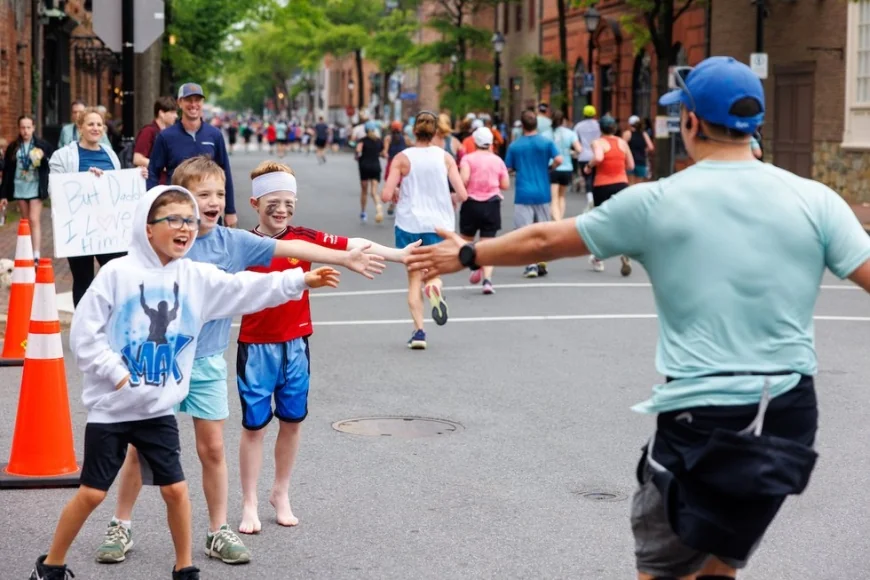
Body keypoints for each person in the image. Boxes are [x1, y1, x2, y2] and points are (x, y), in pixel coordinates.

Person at [406, 55, 870, 580]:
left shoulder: (657, 201)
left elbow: (544, 240)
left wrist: (468, 254)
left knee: (664, 572)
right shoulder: (817, 200)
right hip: (789, 414)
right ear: (753, 125)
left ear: (691, 122)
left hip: (704, 414)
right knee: (719, 566)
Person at [29, 184, 343, 580]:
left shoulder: (195, 277)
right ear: (147, 227)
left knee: (176, 490)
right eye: (174, 219)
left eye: (190, 221)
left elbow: (244, 288)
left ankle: (185, 568)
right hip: (112, 410)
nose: (185, 228)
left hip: (158, 409)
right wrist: (115, 374)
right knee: (93, 492)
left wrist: (298, 281)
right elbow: (84, 336)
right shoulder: (117, 274)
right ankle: (51, 565)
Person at [92, 155, 385, 567]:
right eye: (202, 194)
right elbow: (127, 229)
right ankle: (120, 524)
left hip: (206, 362)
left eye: (219, 194)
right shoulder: (167, 240)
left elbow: (294, 246)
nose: (212, 201)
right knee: (142, 449)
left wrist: (341, 259)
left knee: (211, 448)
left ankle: (217, 530)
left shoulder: (232, 241)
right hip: (157, 361)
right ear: (181, 202)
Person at [235, 160, 418, 535]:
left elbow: (354, 245)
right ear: (255, 203)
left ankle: (280, 493)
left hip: (296, 344)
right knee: (254, 427)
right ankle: (249, 501)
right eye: (273, 202)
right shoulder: (242, 244)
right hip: (255, 348)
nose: (282, 209)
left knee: (292, 422)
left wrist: (400, 255)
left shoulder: (304, 238)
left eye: (289, 201)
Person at [381, 111, 467, 349]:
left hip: (409, 224)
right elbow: (463, 194)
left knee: (413, 279)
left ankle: (419, 332)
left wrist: (397, 193)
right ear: (435, 132)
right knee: (433, 273)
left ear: (413, 131)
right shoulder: (445, 157)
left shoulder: (402, 158)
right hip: (438, 225)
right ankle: (434, 287)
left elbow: (386, 194)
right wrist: (450, 196)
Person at [49, 107, 148, 306]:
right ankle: (84, 328)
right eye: (90, 124)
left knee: (116, 275)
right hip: (78, 230)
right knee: (83, 280)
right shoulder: (62, 156)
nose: (95, 128)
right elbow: (56, 191)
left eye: (99, 124)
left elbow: (117, 189)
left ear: (104, 128)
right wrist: (85, 180)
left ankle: (113, 321)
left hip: (108, 228)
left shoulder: (110, 154)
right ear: (80, 128)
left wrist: (137, 177)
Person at [147, 83, 238, 227]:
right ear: (180, 102)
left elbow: (225, 172)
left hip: (209, 210)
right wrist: (152, 207)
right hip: (177, 209)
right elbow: (153, 173)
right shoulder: (166, 137)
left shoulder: (214, 135)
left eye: (198, 100)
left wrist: (230, 210)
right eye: (189, 100)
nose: (193, 104)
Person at [504, 109, 562, 278]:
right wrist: (550, 168)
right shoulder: (546, 142)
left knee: (525, 231)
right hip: (543, 191)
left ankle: (531, 265)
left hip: (524, 193)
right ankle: (542, 259)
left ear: (522, 126)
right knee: (543, 229)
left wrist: (515, 170)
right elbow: (559, 159)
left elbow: (508, 168)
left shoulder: (515, 146)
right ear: (536, 124)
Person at [458, 126, 509, 294]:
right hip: (492, 204)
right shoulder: (498, 160)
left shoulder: (467, 159)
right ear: (491, 143)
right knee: (488, 243)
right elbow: (505, 185)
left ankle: (474, 265)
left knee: (466, 240)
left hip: (471, 203)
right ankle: (488, 281)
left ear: (475, 141)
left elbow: (464, 179)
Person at [584, 114, 634, 275]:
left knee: (601, 221)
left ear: (601, 128)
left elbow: (598, 157)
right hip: (622, 184)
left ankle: (598, 259)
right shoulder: (622, 143)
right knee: (621, 220)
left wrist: (589, 166)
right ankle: (625, 250)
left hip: (603, 185)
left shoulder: (597, 142)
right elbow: (631, 165)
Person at [0, 116, 53, 260]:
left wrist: (43, 158)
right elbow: (7, 171)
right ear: (19, 128)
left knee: (34, 218)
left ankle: (36, 254)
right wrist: (3, 194)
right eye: (23, 128)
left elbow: (51, 163)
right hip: (20, 186)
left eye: (28, 127)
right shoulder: (13, 147)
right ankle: (28, 251)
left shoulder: (42, 145)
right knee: (25, 220)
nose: (25, 131)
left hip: (36, 186)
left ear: (33, 128)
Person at [133, 96, 178, 185]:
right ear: (161, 113)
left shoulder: (168, 133)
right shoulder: (148, 131)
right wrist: (161, 164)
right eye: (172, 112)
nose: (176, 116)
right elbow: (137, 159)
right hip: (153, 183)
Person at [550, 110, 582, 221]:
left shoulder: (547, 133)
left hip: (552, 167)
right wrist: (570, 152)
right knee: (562, 197)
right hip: (567, 167)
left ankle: (556, 222)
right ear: (563, 120)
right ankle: (560, 220)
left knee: (554, 198)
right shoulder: (570, 133)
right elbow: (579, 149)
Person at [355, 121, 384, 223]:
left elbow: (358, 152)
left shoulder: (362, 141)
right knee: (374, 191)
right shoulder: (379, 141)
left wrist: (358, 155)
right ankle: (378, 206)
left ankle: (363, 212)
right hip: (375, 167)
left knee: (364, 191)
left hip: (364, 167)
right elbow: (382, 153)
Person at [573, 105, 601, 210]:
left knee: (587, 178)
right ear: (594, 114)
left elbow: (575, 140)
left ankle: (590, 198)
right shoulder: (598, 125)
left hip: (583, 155)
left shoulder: (578, 126)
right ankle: (596, 198)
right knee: (596, 177)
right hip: (597, 154)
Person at [623, 114, 655, 184]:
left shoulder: (627, 133)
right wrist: (644, 150)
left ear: (629, 124)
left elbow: (622, 147)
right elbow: (651, 147)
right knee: (638, 184)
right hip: (641, 161)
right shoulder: (644, 134)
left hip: (629, 162)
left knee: (630, 184)